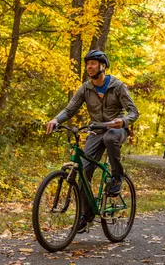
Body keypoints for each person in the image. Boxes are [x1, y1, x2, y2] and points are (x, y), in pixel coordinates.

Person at [46, 49, 139, 231]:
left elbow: (134, 112)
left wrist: (123, 121)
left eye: (93, 63)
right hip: (96, 130)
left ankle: (117, 177)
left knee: (112, 138)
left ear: (102, 66)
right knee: (83, 172)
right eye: (88, 63)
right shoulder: (86, 88)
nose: (89, 66)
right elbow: (70, 109)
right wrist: (56, 119)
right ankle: (85, 215)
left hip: (116, 128)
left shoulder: (117, 86)